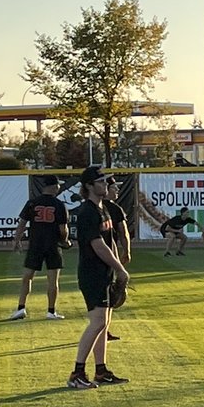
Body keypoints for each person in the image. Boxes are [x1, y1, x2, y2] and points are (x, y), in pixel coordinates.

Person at [67, 166, 130, 390]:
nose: (105, 184)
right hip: (92, 273)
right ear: (88, 186)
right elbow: (98, 245)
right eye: (101, 182)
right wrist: (120, 268)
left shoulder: (103, 209)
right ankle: (77, 373)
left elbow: (110, 240)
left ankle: (101, 371)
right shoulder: (87, 213)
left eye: (105, 181)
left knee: (104, 324)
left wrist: (115, 268)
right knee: (98, 322)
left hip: (103, 272)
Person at [9, 174, 70, 320]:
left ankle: (21, 308)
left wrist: (16, 240)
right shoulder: (59, 204)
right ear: (55, 187)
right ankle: (51, 311)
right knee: (52, 280)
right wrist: (65, 241)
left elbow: (22, 224)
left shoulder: (32, 202)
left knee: (27, 277)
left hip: (36, 244)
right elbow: (63, 229)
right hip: (52, 245)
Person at [104, 176, 130, 341]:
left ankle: (104, 329)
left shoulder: (92, 207)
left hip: (97, 256)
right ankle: (103, 329)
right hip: (109, 254)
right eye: (114, 188)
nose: (118, 191)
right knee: (109, 295)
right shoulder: (114, 209)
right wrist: (127, 251)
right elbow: (123, 231)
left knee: (106, 295)